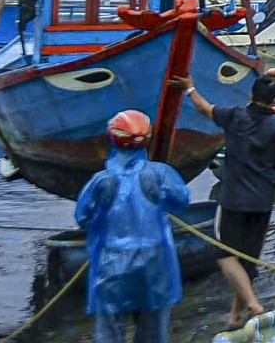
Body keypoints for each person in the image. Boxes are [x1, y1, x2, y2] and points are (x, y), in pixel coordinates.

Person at [175, 75, 275, 330]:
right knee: (247, 261)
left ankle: (252, 304)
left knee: (224, 256)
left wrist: (189, 88)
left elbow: (204, 108)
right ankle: (235, 316)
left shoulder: (234, 116)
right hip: (262, 201)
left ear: (251, 95)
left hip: (232, 200)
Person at [73, 109, 191, 343]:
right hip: (155, 262)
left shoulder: (102, 181)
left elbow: (83, 217)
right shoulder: (160, 174)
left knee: (110, 330)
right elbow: (181, 202)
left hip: (112, 263)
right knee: (153, 329)